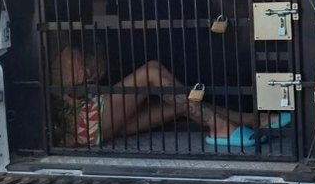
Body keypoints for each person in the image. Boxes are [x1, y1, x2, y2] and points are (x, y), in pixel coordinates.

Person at [51, 46, 286, 147]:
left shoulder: (74, 44)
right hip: (84, 120)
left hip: (90, 126)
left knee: (180, 104)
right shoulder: (62, 50)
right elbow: (71, 88)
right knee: (151, 71)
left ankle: (253, 120)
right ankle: (220, 127)